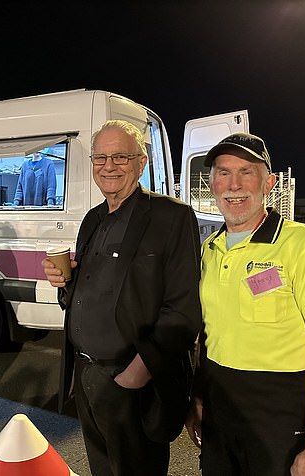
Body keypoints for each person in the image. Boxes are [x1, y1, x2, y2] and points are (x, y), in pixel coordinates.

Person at [185, 133, 305, 476]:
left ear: (269, 182)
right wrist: (198, 398)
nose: (234, 185)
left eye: (246, 172)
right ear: (212, 182)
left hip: (280, 417)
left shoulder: (303, 246)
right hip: (218, 411)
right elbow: (209, 336)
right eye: (223, 172)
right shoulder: (209, 250)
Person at [42, 120, 202, 475]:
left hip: (133, 382)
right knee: (102, 469)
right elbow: (82, 298)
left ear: (141, 163)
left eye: (120, 157)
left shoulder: (171, 217)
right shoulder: (92, 220)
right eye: (101, 158)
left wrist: (134, 376)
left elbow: (183, 310)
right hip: (86, 377)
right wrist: (64, 285)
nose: (109, 166)